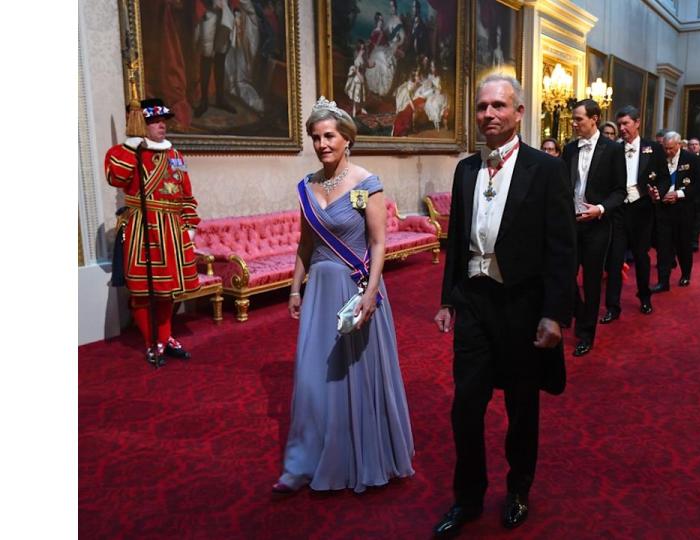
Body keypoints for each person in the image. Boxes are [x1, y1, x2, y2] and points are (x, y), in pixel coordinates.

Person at [432, 75, 576, 536]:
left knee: (521, 407)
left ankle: (518, 489)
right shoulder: (464, 170)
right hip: (474, 302)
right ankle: (468, 497)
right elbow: (456, 241)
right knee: (465, 407)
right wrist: (447, 298)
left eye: (498, 106)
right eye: (481, 107)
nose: (489, 114)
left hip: (522, 306)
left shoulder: (546, 169)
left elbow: (561, 247)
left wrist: (554, 313)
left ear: (518, 113)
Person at [273, 97, 414, 494]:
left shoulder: (367, 182)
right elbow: (305, 243)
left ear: (346, 138)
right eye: (316, 138)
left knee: (355, 376)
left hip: (356, 291)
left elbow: (378, 242)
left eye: (329, 136)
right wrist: (295, 288)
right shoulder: (306, 186)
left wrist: (370, 293)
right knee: (312, 376)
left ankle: (359, 456)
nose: (322, 144)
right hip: (319, 291)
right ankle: (302, 461)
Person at [104, 98, 201, 366]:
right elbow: (116, 178)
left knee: (167, 290)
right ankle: (151, 341)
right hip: (143, 228)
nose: (161, 125)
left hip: (172, 229)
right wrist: (130, 146)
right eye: (154, 121)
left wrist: (190, 226)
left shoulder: (175, 156)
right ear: (140, 124)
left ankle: (165, 337)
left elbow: (186, 195)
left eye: (163, 121)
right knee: (143, 291)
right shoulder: (123, 153)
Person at [562, 99, 627, 357]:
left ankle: (586, 333)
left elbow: (620, 191)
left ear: (594, 118)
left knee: (591, 281)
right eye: (573, 118)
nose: (574, 123)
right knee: (564, 275)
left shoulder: (612, 150)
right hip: (571, 223)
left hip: (598, 225)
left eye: (578, 119)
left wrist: (600, 209)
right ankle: (579, 314)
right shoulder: (569, 149)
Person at [601, 106, 667, 324]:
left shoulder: (654, 148)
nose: (622, 129)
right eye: (619, 125)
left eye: (626, 124)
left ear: (637, 123)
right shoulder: (612, 149)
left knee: (641, 256)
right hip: (618, 211)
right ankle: (612, 306)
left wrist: (659, 191)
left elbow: (664, 179)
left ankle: (645, 298)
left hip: (642, 209)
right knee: (615, 259)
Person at [650, 131, 700, 292]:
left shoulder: (691, 159)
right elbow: (652, 179)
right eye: (665, 148)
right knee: (663, 247)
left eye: (671, 148)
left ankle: (685, 274)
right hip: (663, 210)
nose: (668, 152)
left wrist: (679, 194)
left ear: (679, 145)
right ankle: (663, 281)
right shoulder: (658, 158)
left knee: (683, 246)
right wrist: (658, 193)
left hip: (683, 210)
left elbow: (699, 185)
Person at [193, 0, 238, 117]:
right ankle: (204, 101)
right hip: (208, 10)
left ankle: (220, 98)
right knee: (207, 55)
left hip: (226, 11)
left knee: (221, 54)